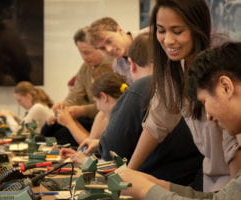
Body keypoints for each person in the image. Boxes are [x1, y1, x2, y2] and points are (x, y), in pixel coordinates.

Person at [128, 0, 241, 192]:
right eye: (161, 31)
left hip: (232, 180)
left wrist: (234, 191)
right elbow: (158, 121)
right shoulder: (175, 66)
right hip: (212, 180)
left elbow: (232, 144)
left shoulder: (216, 63)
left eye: (178, 31)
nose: (168, 40)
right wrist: (129, 173)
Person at [61, 33, 203, 187]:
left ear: (131, 64)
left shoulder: (140, 89)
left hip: (148, 187)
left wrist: (86, 159)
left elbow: (112, 156)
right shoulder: (189, 87)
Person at [42, 27, 113, 146]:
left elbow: (109, 105)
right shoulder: (85, 68)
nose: (84, 57)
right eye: (81, 52)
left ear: (100, 48)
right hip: (92, 118)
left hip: (102, 118)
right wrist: (62, 107)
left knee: (62, 134)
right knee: (49, 128)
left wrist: (81, 110)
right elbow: (75, 95)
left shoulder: (113, 67)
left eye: (87, 52)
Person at [88, 17, 149, 84]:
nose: (109, 49)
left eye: (109, 41)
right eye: (102, 48)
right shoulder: (117, 66)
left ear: (120, 30)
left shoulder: (153, 35)